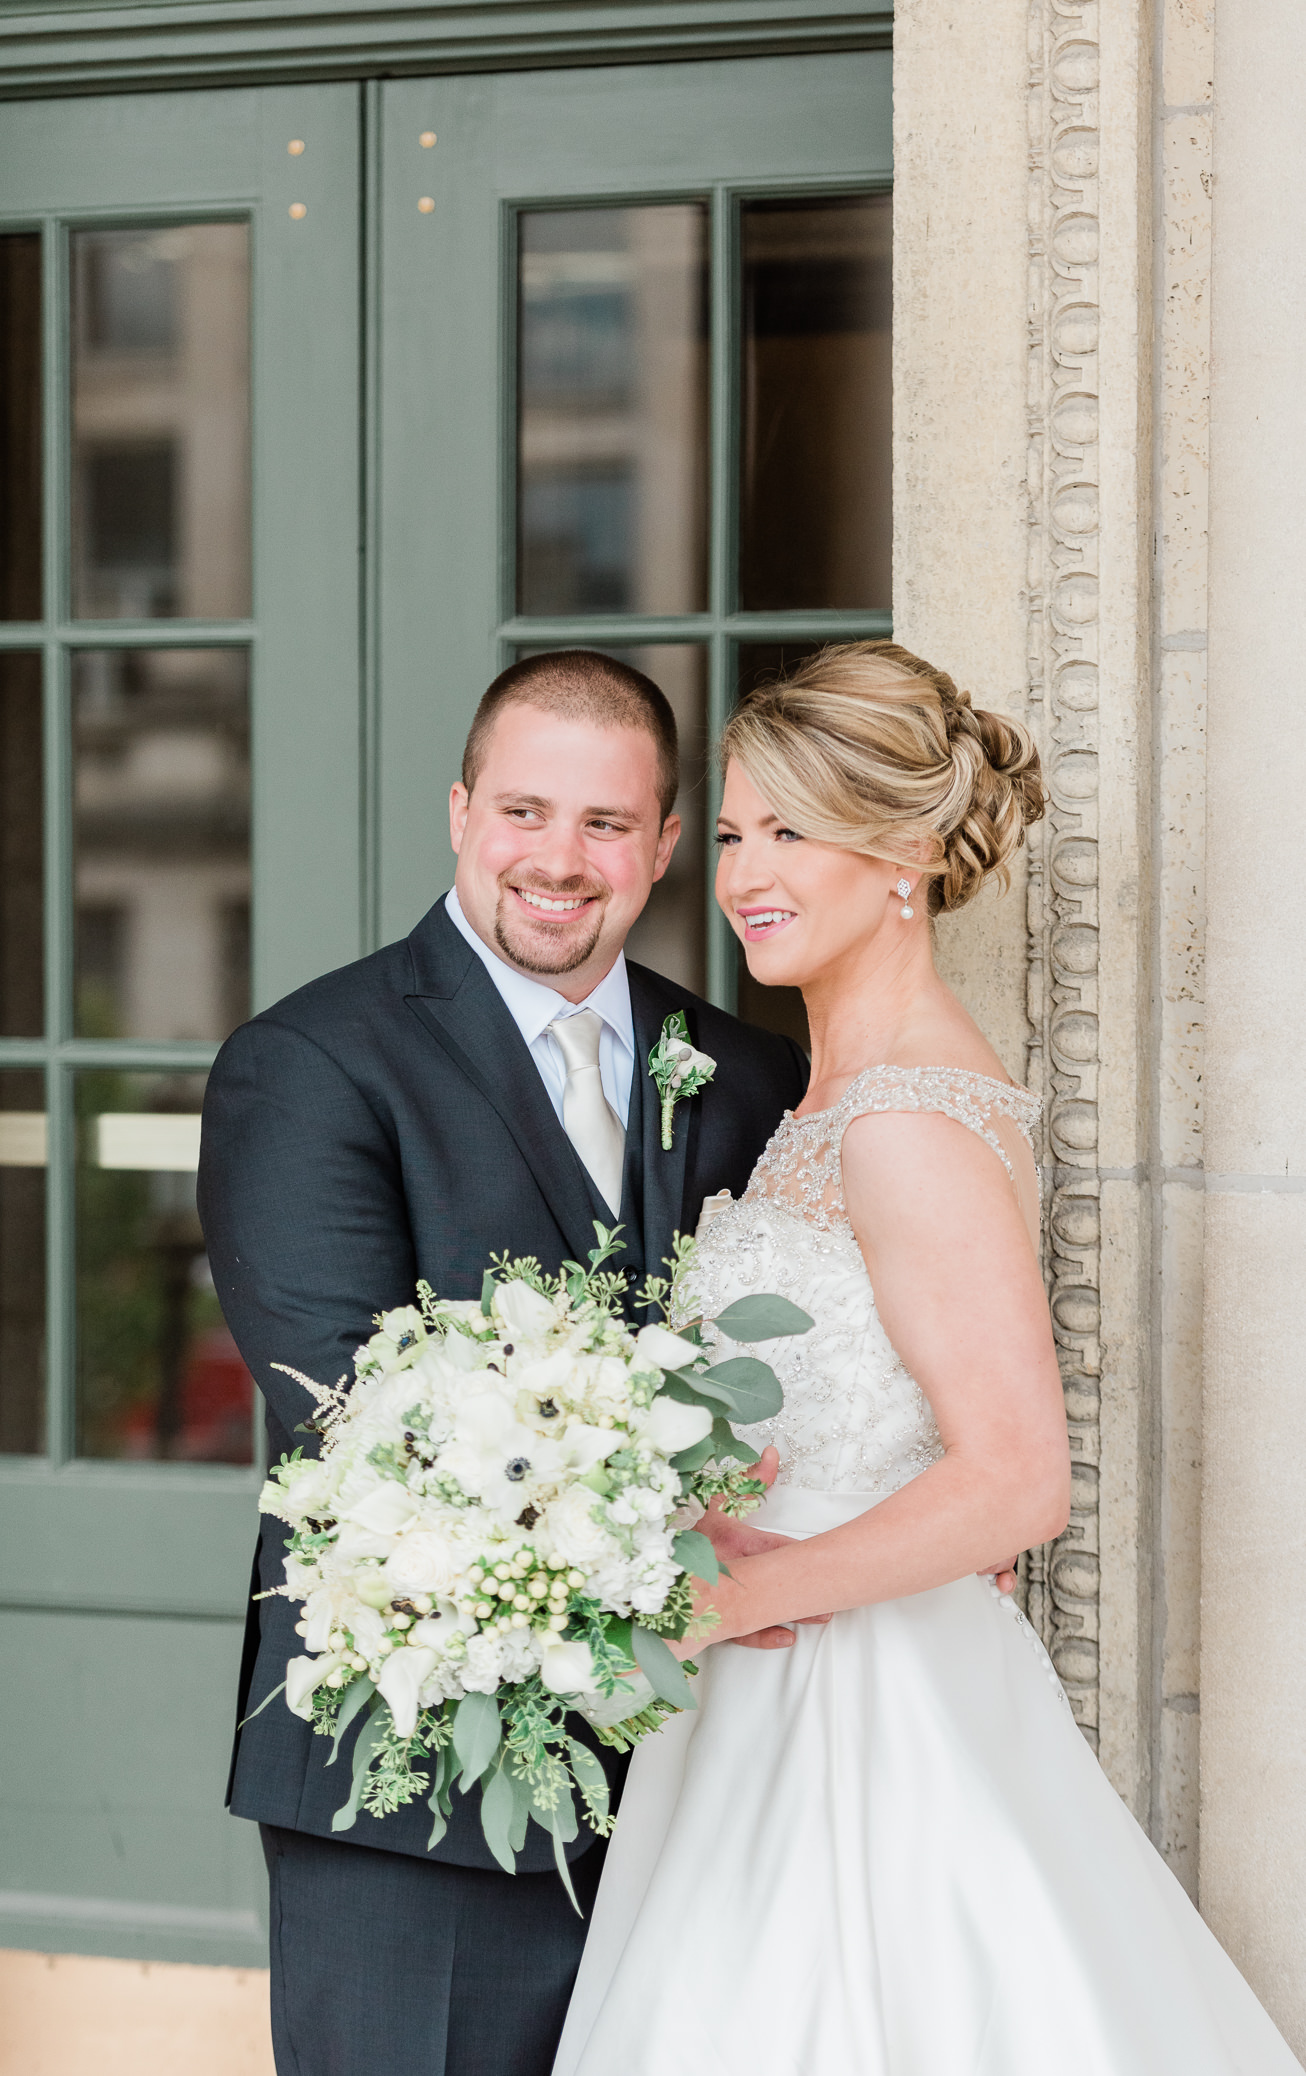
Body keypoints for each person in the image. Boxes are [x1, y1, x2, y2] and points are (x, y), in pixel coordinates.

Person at [554, 642, 1305, 2076]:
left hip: (858, 1705)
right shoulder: (822, 1096)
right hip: (769, 1687)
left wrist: (726, 1599)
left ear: (901, 852)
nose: (744, 872)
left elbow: (1016, 1483)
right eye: (728, 833)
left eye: (791, 830)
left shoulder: (903, 1123)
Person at [196, 651, 814, 2076]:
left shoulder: (743, 1071)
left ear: (663, 845)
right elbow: (350, 1417)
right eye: (525, 811)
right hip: (419, 1767)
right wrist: (681, 1550)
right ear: (461, 812)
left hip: (706, 1771)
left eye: (606, 824)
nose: (559, 860)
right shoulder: (313, 1061)